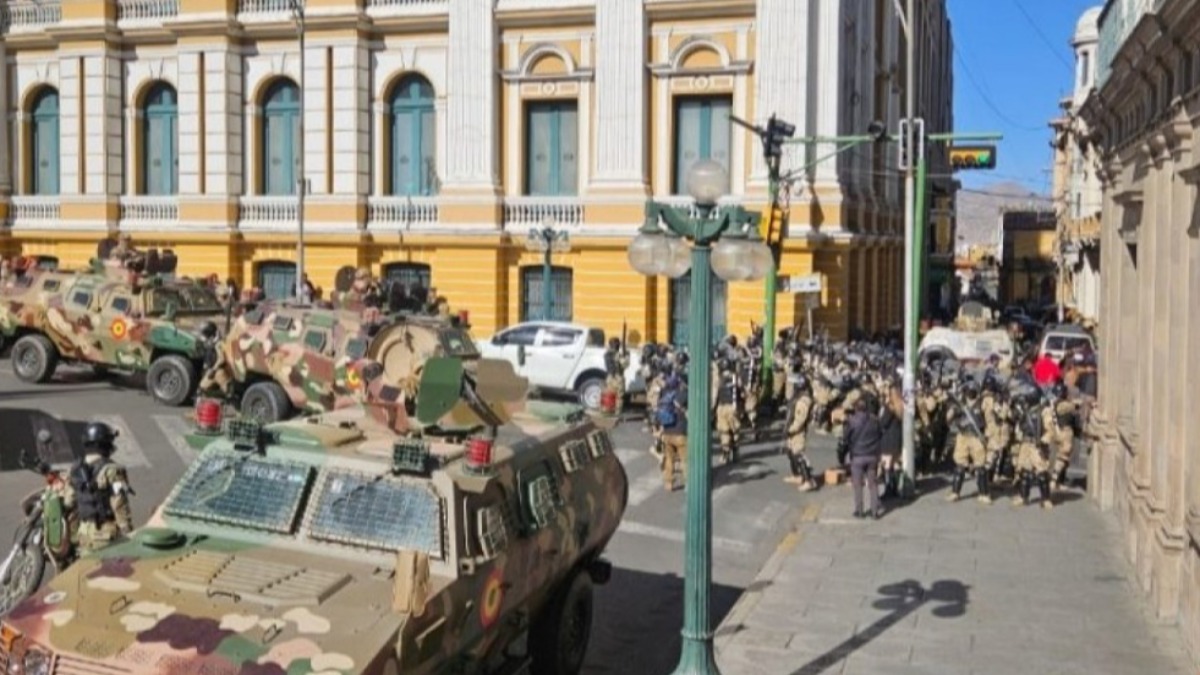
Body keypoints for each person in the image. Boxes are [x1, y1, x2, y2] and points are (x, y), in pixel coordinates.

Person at [67, 422, 134, 552]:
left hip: (83, 534)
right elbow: (119, 504)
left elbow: (69, 501)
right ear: (105, 444)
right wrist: (128, 533)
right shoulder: (113, 470)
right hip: (105, 536)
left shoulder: (75, 469)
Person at [946, 381, 990, 504]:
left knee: (980, 467)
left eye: (973, 391)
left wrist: (988, 436)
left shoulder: (982, 404)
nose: (971, 393)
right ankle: (955, 492)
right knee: (959, 466)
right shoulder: (960, 405)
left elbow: (989, 420)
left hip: (977, 437)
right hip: (963, 436)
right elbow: (949, 418)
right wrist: (953, 410)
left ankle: (984, 493)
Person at [841, 396, 883, 519]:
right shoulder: (875, 421)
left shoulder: (852, 421)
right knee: (873, 483)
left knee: (857, 484)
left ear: (856, 408)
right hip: (872, 456)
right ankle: (875, 511)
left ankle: (859, 510)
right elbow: (880, 435)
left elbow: (845, 437)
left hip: (858, 456)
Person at [782, 370, 817, 491]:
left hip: (798, 431)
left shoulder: (804, 400)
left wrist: (791, 430)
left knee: (798, 454)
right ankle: (797, 475)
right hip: (792, 428)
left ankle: (809, 480)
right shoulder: (797, 397)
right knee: (790, 452)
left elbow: (800, 419)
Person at [657, 374, 688, 492]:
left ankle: (668, 484)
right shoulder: (682, 394)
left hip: (667, 433)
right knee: (685, 459)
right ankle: (688, 483)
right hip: (680, 433)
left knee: (669, 459)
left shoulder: (664, 396)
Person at [878, 382, 903, 499]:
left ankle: (889, 489)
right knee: (894, 465)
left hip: (888, 439)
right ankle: (895, 488)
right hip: (898, 438)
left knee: (887, 466)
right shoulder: (902, 406)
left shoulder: (890, 407)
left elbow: (883, 423)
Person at [603, 337, 629, 416]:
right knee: (616, 395)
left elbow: (624, 365)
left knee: (613, 394)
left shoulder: (609, 353)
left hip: (613, 376)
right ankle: (613, 411)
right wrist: (624, 356)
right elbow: (624, 365)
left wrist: (623, 355)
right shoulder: (614, 354)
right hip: (616, 376)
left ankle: (610, 410)